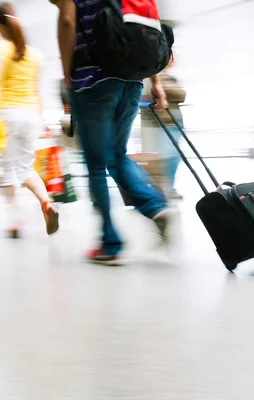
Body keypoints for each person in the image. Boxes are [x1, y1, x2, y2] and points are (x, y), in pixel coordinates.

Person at [54, 0, 174, 266]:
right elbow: (150, 32)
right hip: (132, 81)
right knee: (118, 156)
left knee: (97, 164)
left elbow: (67, 21)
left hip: (91, 81)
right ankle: (157, 208)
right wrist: (156, 82)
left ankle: (110, 243)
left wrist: (66, 75)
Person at [0, 2, 59, 238]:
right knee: (26, 168)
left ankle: (15, 222)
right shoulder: (34, 53)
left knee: (8, 171)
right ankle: (46, 202)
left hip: (9, 115)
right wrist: (43, 119)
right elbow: (37, 90)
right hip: (32, 115)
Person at [141, 67, 187, 199]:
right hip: (164, 123)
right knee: (168, 158)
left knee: (173, 158)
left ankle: (167, 189)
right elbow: (179, 94)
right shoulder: (157, 75)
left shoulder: (166, 75)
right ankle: (164, 190)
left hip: (172, 122)